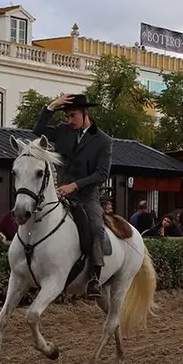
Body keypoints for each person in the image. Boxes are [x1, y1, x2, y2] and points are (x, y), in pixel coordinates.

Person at [32, 92, 113, 299]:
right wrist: (52, 106)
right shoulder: (62, 131)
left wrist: (75, 186)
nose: (69, 120)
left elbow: (102, 174)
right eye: (67, 116)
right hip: (59, 192)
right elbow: (38, 130)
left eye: (72, 115)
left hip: (87, 195)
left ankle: (95, 275)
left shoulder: (103, 140)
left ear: (86, 113)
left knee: (96, 225)